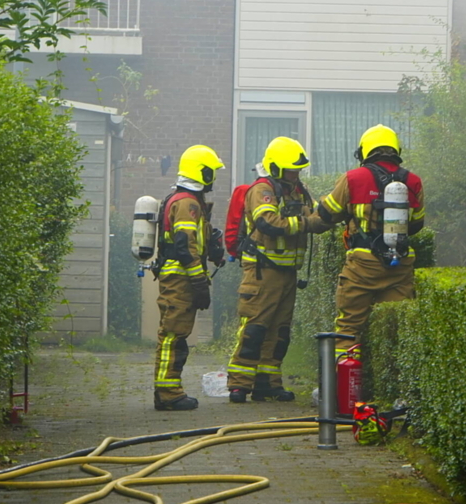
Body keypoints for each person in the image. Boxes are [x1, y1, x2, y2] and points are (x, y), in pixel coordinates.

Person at [313, 125, 424, 354]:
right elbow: (416, 225)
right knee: (394, 331)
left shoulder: (353, 178)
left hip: (362, 265)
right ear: (396, 149)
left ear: (364, 151)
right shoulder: (413, 181)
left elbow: (327, 214)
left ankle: (343, 387)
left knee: (348, 329)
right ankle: (390, 389)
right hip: (400, 265)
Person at [226, 136, 320, 402]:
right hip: (262, 270)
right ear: (277, 167)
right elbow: (267, 222)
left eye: (298, 168)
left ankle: (268, 382)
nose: (297, 172)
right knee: (255, 327)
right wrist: (305, 224)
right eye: (292, 168)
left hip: (288, 272)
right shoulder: (263, 190)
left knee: (279, 331)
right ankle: (239, 384)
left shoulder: (297, 190)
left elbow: (310, 216)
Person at [153, 144, 226, 411]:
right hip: (180, 280)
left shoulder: (186, 200)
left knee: (174, 335)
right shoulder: (187, 204)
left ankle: (167, 391)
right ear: (201, 171)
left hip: (179, 278)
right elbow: (184, 247)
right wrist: (198, 282)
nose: (214, 177)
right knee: (174, 336)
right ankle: (168, 393)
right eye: (212, 171)